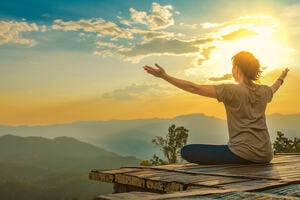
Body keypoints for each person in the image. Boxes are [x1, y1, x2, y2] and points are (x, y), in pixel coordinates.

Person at [143, 51, 289, 164]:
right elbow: (274, 88)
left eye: (233, 67)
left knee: (186, 151)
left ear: (237, 68)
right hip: (266, 154)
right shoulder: (264, 91)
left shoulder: (231, 90)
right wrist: (282, 77)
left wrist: (165, 76)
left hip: (241, 154)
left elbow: (194, 88)